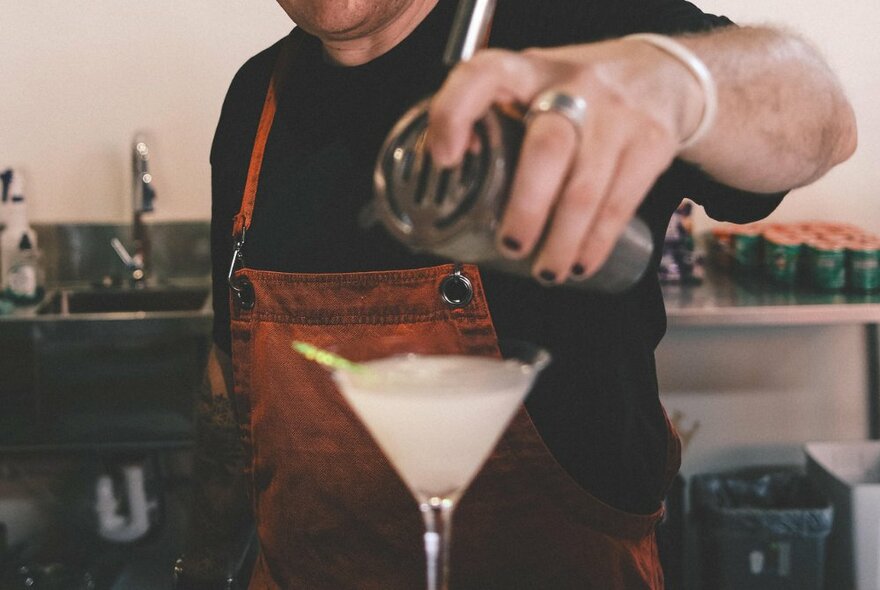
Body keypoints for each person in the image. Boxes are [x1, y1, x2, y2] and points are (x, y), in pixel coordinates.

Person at [176, 0, 856, 588]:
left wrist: (680, 86)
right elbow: (227, 381)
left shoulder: (584, 36)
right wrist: (203, 567)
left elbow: (822, 117)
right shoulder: (254, 97)